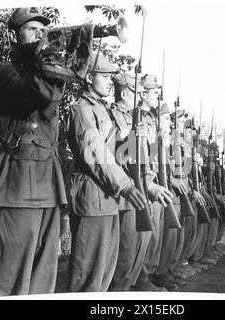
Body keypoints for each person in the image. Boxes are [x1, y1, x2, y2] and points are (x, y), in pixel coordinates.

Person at [0, 7, 68, 296]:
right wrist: (46, 62)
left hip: (48, 179)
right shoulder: (6, 73)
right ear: (14, 34)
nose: (39, 33)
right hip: (19, 184)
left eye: (41, 28)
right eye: (31, 28)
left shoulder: (45, 70)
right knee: (11, 274)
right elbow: (36, 95)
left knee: (43, 272)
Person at [66, 54, 147, 292]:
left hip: (107, 198)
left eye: (111, 76)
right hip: (91, 197)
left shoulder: (103, 110)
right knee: (86, 274)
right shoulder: (81, 109)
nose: (109, 81)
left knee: (103, 275)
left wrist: (134, 138)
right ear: (89, 77)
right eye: (104, 75)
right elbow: (95, 151)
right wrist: (125, 184)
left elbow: (117, 153)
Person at [109, 73, 172, 291]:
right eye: (137, 92)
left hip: (146, 183)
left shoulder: (142, 119)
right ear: (125, 93)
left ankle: (140, 281)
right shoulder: (115, 115)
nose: (141, 96)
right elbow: (119, 154)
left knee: (145, 239)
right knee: (128, 246)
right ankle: (121, 291)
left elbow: (150, 155)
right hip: (130, 186)